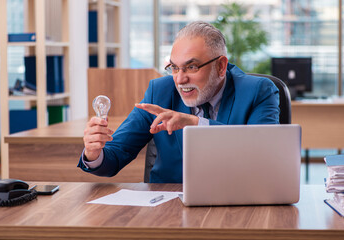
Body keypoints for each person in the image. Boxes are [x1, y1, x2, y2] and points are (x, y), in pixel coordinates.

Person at [78, 21, 280, 183]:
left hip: (239, 205)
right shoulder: (160, 92)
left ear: (221, 66)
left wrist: (194, 124)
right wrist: (94, 153)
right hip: (170, 209)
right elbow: (115, 155)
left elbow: (264, 155)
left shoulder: (257, 91)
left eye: (191, 67)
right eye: (174, 67)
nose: (180, 79)